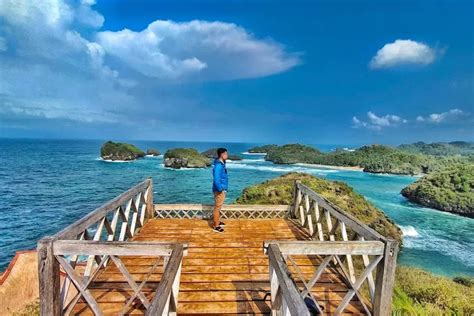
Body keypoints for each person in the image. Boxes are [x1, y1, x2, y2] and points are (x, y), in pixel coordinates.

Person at [212, 147, 228, 233]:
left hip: (221, 188)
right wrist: (221, 189)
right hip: (219, 190)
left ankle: (217, 221)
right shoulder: (218, 165)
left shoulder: (221, 163)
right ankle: (216, 226)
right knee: (217, 208)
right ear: (222, 154)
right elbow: (216, 179)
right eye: (226, 154)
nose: (227, 155)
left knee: (219, 206)